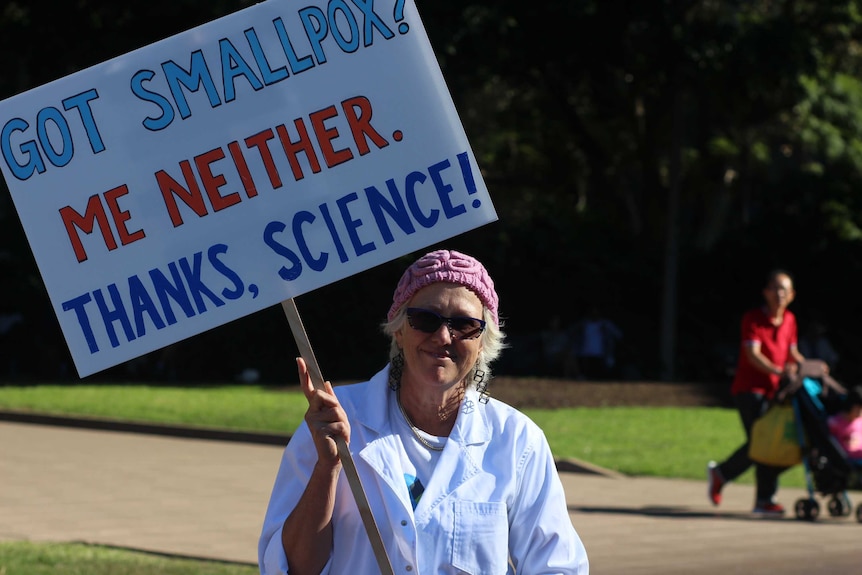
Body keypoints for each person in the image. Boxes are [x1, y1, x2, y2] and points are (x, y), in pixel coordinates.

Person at [258, 249, 589, 574]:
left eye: (464, 324)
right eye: (426, 319)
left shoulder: (516, 439)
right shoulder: (333, 419)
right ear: (399, 330)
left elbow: (557, 566)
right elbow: (289, 568)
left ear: (483, 342)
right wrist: (327, 467)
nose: (443, 336)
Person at [706, 269, 812, 516]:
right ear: (765, 292)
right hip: (750, 391)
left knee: (765, 442)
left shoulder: (790, 320)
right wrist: (777, 370)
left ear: (792, 294)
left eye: (784, 289)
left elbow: (792, 353)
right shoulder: (752, 319)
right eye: (774, 288)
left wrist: (808, 367)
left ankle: (723, 474)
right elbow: (752, 355)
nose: (779, 294)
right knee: (763, 442)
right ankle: (763, 499)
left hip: (776, 392)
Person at [565, 306, 622, 380]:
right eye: (592, 312)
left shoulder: (605, 324)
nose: (594, 315)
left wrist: (607, 332)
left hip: (601, 354)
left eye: (596, 313)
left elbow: (619, 335)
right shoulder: (583, 323)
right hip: (585, 353)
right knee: (585, 374)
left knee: (599, 375)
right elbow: (569, 332)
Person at [828, 385, 862, 463]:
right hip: (852, 460)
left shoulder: (860, 420)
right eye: (860, 408)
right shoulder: (835, 422)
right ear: (853, 406)